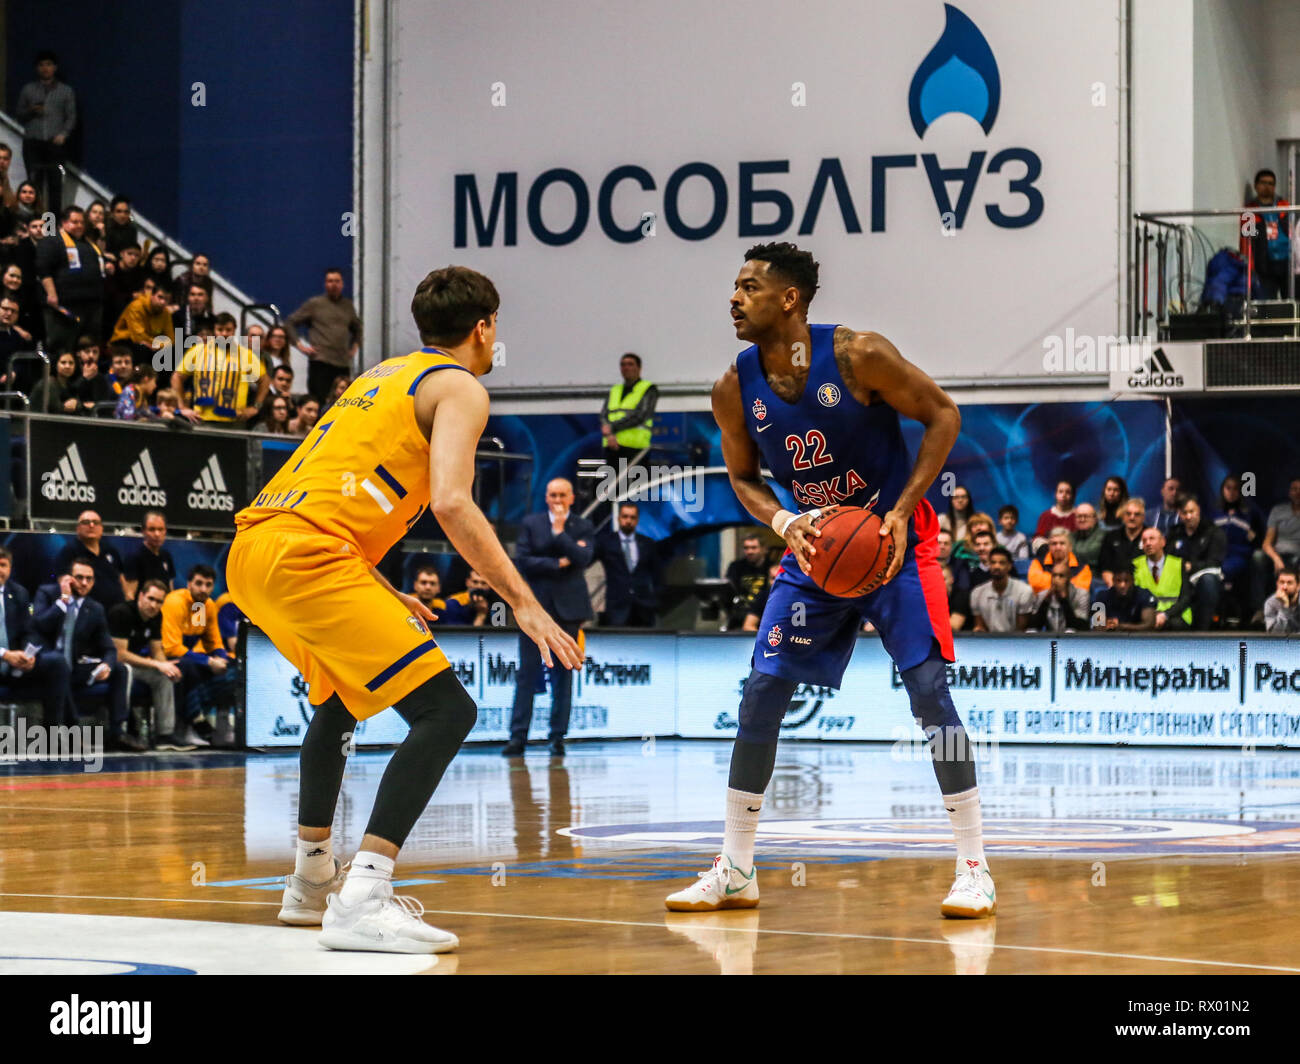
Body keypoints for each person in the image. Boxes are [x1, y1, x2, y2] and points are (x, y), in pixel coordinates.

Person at [226, 263, 580, 953]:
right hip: (309, 557)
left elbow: (329, 488)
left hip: (255, 547)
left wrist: (380, 587)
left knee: (338, 700)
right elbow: (451, 500)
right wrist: (525, 603)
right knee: (448, 711)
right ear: (483, 329)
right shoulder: (460, 388)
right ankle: (363, 896)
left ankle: (306, 883)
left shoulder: (379, 375)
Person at [664, 241, 994, 920]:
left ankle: (973, 867)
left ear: (789, 298)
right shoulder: (733, 387)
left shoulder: (857, 355)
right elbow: (744, 479)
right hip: (815, 550)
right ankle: (735, 870)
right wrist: (784, 521)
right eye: (733, 286)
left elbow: (943, 415)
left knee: (931, 693)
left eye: (749, 286)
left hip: (893, 542)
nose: (733, 297)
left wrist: (901, 510)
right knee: (761, 692)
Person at [507, 477, 593, 757]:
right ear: (546, 497)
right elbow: (523, 561)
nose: (557, 500)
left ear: (571, 498)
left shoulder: (583, 525)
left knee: (564, 675)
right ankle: (517, 737)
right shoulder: (531, 524)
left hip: (569, 611)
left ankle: (557, 737)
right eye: (552, 495)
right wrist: (558, 562)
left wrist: (559, 535)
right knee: (527, 674)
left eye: (562, 496)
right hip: (535, 610)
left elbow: (584, 558)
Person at [32, 558, 144, 751]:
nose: (84, 583)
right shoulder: (47, 593)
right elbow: (40, 624)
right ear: (68, 579)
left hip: (76, 666)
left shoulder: (95, 608)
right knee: (59, 665)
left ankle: (117, 733)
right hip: (47, 665)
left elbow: (109, 648)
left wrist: (106, 665)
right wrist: (64, 600)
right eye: (79, 578)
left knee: (120, 669)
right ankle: (68, 733)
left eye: (89, 579)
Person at [107, 580, 189, 749]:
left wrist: (166, 666)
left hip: (135, 663)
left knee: (165, 676)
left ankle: (165, 735)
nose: (154, 605)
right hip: (109, 664)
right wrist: (157, 665)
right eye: (150, 599)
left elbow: (157, 650)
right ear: (141, 596)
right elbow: (119, 655)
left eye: (159, 601)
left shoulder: (156, 616)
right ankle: (122, 731)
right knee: (126, 671)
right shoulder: (121, 613)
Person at [0, 546, 69, 726]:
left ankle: (53, 736)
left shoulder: (18, 593)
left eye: (3, 565)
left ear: (9, 568)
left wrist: (27, 656)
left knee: (57, 663)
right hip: (5, 657)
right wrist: (5, 655)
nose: (0, 570)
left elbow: (29, 631)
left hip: (17, 664)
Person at [160, 565, 230, 740]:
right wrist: (208, 662)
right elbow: (171, 648)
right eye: (199, 583)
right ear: (189, 584)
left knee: (233, 669)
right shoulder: (175, 602)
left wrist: (222, 659)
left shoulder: (204, 606)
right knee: (190, 668)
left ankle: (222, 727)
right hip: (161, 656)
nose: (203, 589)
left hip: (187, 655)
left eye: (208, 585)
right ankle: (194, 722)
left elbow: (213, 642)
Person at [172, 312, 267, 426]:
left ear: (234, 331)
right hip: (202, 419)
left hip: (234, 420)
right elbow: (177, 377)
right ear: (214, 331)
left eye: (228, 330)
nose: (224, 334)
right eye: (220, 330)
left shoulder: (246, 355)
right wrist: (182, 407)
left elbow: (264, 381)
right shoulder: (198, 351)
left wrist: (255, 408)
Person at [35, 205, 104, 356]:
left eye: (81, 222)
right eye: (75, 222)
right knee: (61, 349)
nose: (79, 226)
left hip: (90, 306)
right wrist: (51, 294)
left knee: (87, 350)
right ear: (63, 223)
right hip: (63, 309)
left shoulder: (89, 244)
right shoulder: (52, 241)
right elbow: (43, 269)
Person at [285, 267, 361, 402]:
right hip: (321, 362)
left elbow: (357, 328)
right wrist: (300, 345)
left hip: (342, 363)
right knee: (318, 401)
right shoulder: (315, 304)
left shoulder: (348, 306)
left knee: (343, 402)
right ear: (325, 284)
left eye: (337, 281)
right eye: (330, 281)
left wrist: (355, 346)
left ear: (342, 284)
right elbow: (290, 322)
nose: (334, 284)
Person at [16, 51, 76, 217]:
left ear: (55, 67)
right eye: (42, 65)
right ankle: (34, 224)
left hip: (55, 145)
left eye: (49, 64)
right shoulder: (28, 89)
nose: (45, 68)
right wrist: (31, 111)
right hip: (33, 143)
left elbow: (71, 116)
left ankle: (51, 228)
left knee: (55, 187)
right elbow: (19, 114)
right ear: (37, 68)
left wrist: (64, 134)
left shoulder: (65, 91)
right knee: (34, 186)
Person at [595, 501, 660, 627]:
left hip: (644, 607)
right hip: (617, 607)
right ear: (619, 518)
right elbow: (586, 559)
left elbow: (657, 574)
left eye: (632, 517)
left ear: (637, 520)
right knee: (617, 645)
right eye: (625, 516)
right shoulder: (606, 542)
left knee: (645, 645)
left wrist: (655, 600)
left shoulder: (648, 544)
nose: (628, 520)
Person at [1213, 474, 1265, 622]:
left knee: (1225, 571)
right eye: (1228, 488)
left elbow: (1258, 539)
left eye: (1235, 488)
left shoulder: (1250, 513)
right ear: (1223, 490)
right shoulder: (1215, 513)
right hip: (1218, 556)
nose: (1231, 492)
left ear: (1241, 491)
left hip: (1240, 555)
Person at [1168, 496, 1225, 630]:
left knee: (1208, 580)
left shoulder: (1213, 531)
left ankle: (1203, 631)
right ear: (1179, 514)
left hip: (1203, 577)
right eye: (1184, 513)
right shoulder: (1174, 532)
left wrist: (1191, 566)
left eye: (1191, 512)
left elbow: (1215, 562)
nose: (1188, 516)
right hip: (1178, 578)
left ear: (1198, 510)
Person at [52, 509, 127, 609]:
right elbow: (64, 584)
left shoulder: (110, 550)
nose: (91, 525)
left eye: (96, 523)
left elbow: (122, 579)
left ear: (101, 528)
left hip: (117, 611)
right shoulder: (69, 552)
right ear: (78, 528)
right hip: (87, 613)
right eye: (86, 522)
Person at [1241, 169, 1292, 299]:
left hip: (1288, 261)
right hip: (1264, 264)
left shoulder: (1284, 205)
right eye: (1263, 182)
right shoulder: (1250, 211)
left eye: (1271, 183)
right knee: (1268, 305)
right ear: (1256, 185)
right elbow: (1246, 242)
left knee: (1293, 301)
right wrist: (1249, 267)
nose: (1267, 186)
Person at [600, 352, 657, 463]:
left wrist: (612, 428)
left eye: (630, 364)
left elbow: (641, 416)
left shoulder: (648, 389)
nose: (626, 368)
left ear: (639, 368)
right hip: (612, 445)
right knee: (613, 480)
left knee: (637, 480)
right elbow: (604, 415)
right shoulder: (615, 390)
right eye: (623, 365)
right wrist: (609, 434)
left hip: (635, 448)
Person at [1132, 527, 1192, 629]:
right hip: (1145, 615)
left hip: (1175, 615)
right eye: (1144, 540)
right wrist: (1151, 617)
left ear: (1163, 542)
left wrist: (1165, 615)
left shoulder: (1178, 563)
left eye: (1152, 539)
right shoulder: (1135, 565)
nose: (1148, 543)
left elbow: (1186, 597)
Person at [970, 547, 1035, 632]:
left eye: (1002, 563)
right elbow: (980, 627)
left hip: (1016, 642)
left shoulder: (1024, 591)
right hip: (988, 642)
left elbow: (1021, 630)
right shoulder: (977, 593)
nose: (997, 566)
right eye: (993, 563)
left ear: (1009, 566)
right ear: (989, 565)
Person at [122, 509, 176, 600]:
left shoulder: (166, 556)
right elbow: (130, 594)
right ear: (143, 531)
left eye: (160, 529)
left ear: (165, 531)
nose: (157, 534)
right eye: (152, 529)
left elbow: (170, 589)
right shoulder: (134, 557)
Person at [1098, 496, 1147, 586]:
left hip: (1143, 587)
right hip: (1115, 587)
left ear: (1143, 517)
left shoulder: (1150, 537)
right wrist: (1116, 587)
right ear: (1123, 516)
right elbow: (1105, 569)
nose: (1132, 517)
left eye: (1136, 514)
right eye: (1128, 514)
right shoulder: (1111, 537)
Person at [725, 533, 770, 629]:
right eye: (746, 548)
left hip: (764, 615)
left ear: (764, 549)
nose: (749, 551)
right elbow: (728, 590)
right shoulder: (736, 567)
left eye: (754, 548)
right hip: (740, 614)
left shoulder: (772, 568)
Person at [1028, 527, 1092, 594]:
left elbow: (1081, 588)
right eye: (1054, 544)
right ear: (1049, 546)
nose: (1058, 547)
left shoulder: (1081, 566)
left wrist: (1050, 582)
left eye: (1062, 543)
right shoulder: (1038, 562)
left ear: (1070, 546)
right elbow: (1034, 582)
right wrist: (1066, 582)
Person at [1091, 566, 1156, 630]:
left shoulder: (1145, 594)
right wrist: (1107, 624)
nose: (1122, 585)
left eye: (1126, 581)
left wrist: (1120, 626)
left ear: (1133, 581)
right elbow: (1097, 625)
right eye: (1118, 581)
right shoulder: (1102, 595)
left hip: (1138, 638)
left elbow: (1149, 624)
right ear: (1113, 581)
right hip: (1111, 638)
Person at [1030, 562, 1089, 632]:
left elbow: (1081, 627)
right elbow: (1034, 626)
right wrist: (1046, 601)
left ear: (1069, 578)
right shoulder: (1043, 595)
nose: (1056, 579)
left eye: (1061, 576)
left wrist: (1064, 599)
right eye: (1054, 575)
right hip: (1049, 639)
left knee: (1070, 631)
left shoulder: (1081, 594)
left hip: (1073, 640)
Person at [1031, 480, 1077, 551]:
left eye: (1068, 492)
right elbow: (1037, 538)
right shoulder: (1046, 516)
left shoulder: (1077, 516)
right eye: (1060, 492)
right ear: (1056, 494)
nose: (1064, 495)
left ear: (1072, 496)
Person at [30, 348, 79, 413]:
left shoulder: (69, 384)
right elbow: (56, 409)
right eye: (63, 363)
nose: (67, 366)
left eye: (71, 363)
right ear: (56, 365)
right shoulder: (49, 383)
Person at [1070, 503, 1105, 570]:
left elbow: (1089, 554)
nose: (1082, 519)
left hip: (1095, 575)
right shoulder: (1070, 536)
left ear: (1095, 518)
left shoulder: (1104, 536)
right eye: (1079, 516)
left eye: (1086, 516)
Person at [1264, 568, 1300, 633]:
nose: (1285, 587)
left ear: (1298, 586)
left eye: (1289, 583)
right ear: (1277, 584)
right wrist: (1285, 608)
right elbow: (1274, 633)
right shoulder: (1271, 603)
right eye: (1282, 582)